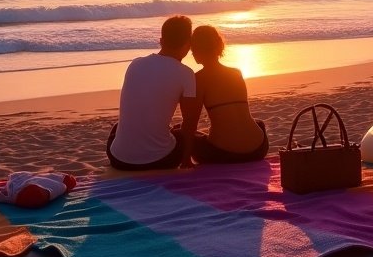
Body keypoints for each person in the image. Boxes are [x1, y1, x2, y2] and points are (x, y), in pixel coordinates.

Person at [106, 15, 202, 171]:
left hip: (118, 160)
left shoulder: (135, 64)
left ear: (161, 41)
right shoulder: (186, 73)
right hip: (160, 161)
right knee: (182, 132)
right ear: (188, 44)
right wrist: (186, 161)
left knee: (118, 126)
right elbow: (190, 122)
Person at [188, 25, 268, 164]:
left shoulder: (198, 79)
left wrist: (185, 162)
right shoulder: (236, 73)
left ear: (197, 50)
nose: (192, 54)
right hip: (259, 149)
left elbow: (191, 123)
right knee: (258, 123)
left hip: (223, 153)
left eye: (192, 49)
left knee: (182, 133)